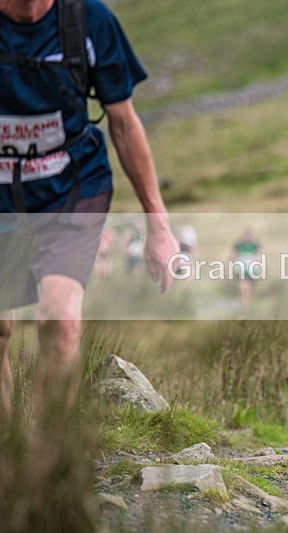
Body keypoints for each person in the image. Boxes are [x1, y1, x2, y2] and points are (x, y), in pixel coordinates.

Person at [0, 0, 179, 445]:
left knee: (59, 322)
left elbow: (124, 124)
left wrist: (158, 225)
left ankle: (44, 462)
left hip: (71, 189)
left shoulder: (89, 22)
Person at [232, 228, 260, 311]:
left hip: (251, 270)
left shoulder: (255, 246)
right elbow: (233, 256)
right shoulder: (239, 245)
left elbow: (259, 257)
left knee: (249, 288)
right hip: (242, 269)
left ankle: (247, 306)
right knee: (243, 287)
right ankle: (244, 305)